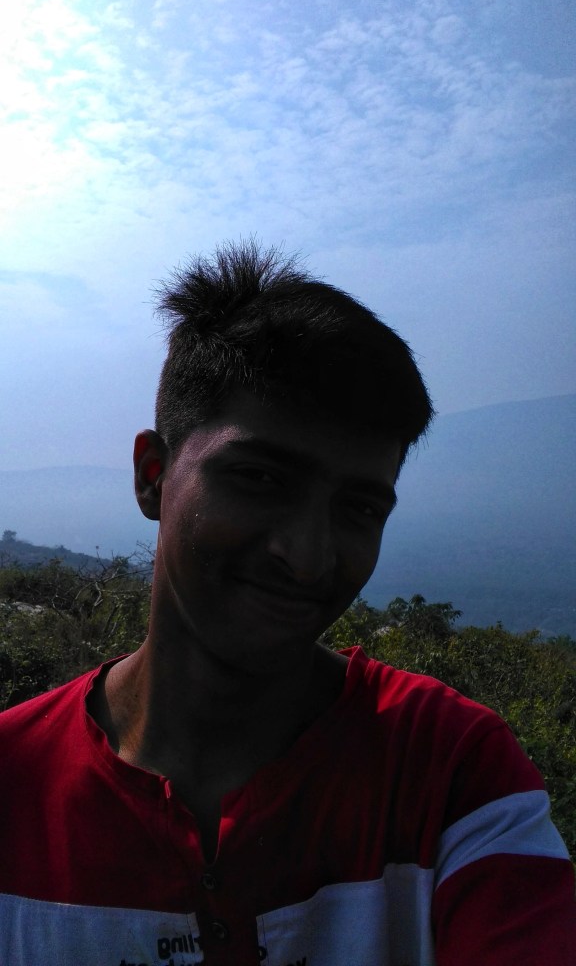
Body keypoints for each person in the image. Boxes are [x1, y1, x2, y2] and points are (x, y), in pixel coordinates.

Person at [0, 240, 574, 966]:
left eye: (359, 509)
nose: (308, 556)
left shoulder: (452, 773)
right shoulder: (14, 783)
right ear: (153, 474)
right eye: (261, 479)